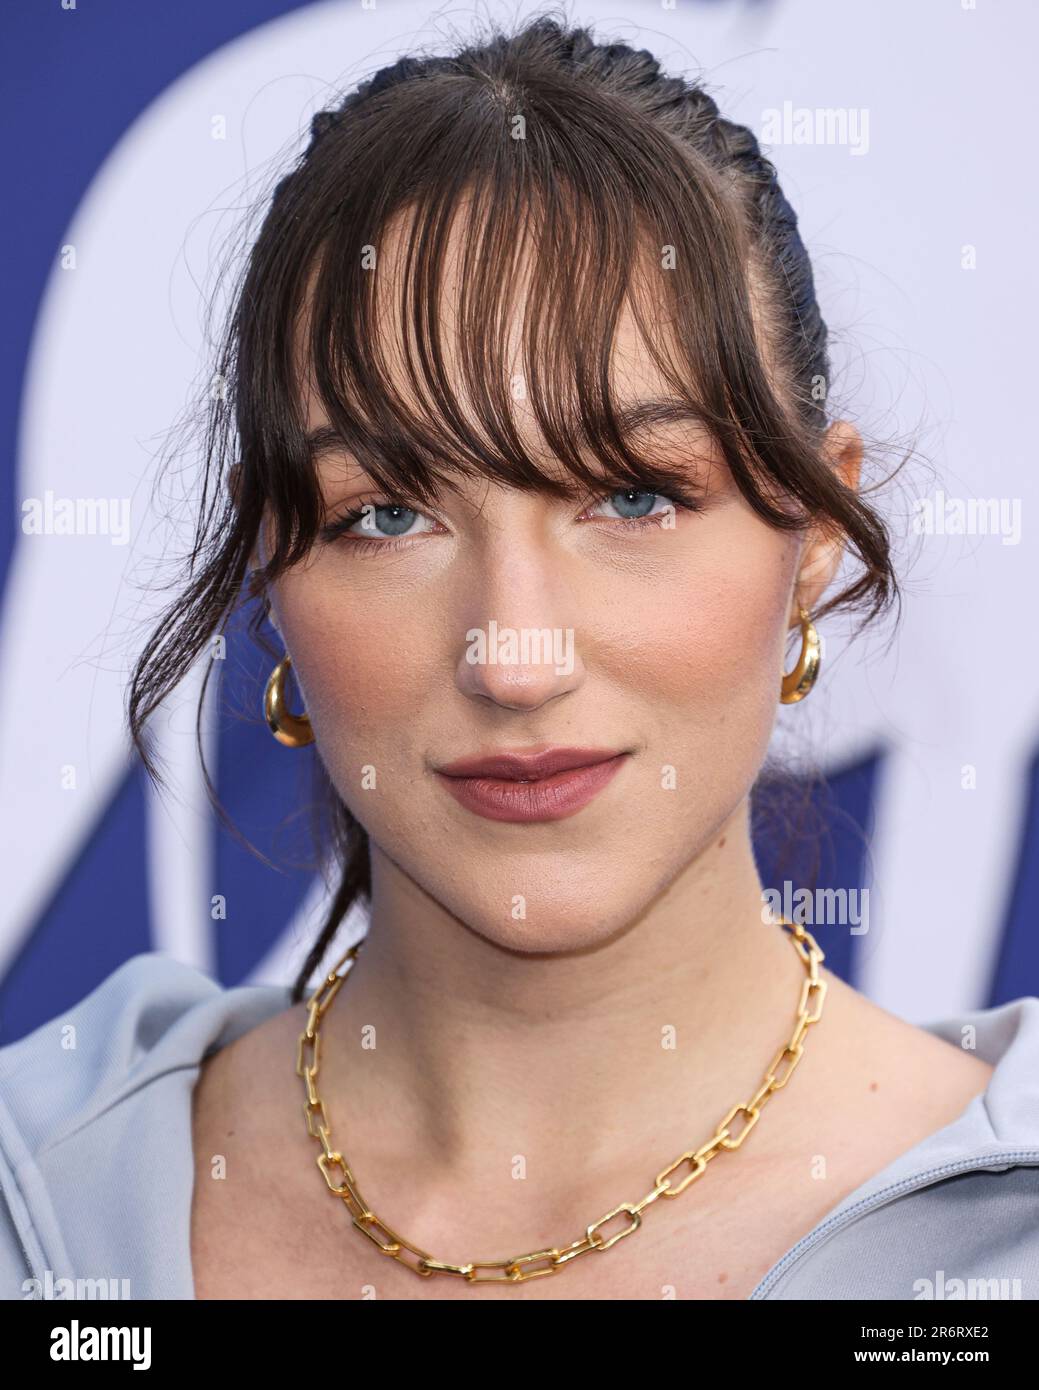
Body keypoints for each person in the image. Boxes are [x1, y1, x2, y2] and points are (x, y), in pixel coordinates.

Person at [2, 14, 1038, 1302]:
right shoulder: (42, 1202)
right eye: (388, 514)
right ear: (272, 557)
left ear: (815, 531)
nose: (516, 654)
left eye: (634, 498)